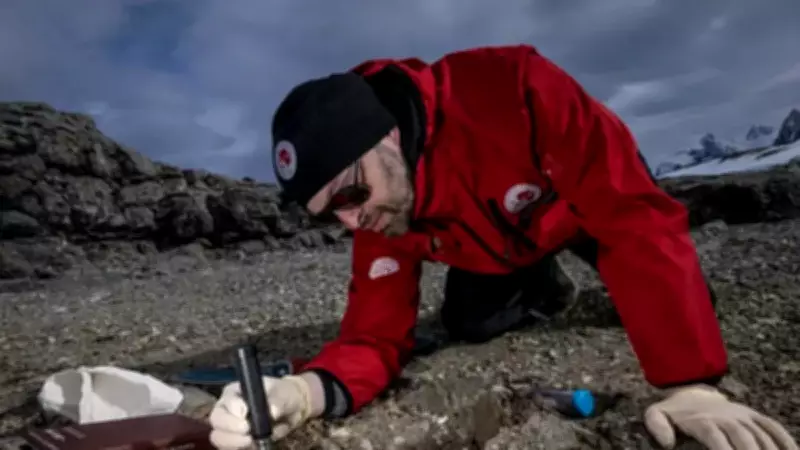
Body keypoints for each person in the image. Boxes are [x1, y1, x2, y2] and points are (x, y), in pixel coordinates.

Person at [208, 45, 798, 450]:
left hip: (577, 211)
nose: (353, 220)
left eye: (353, 194)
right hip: (495, 250)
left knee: (655, 287)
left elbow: (631, 216)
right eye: (332, 215)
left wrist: (689, 382)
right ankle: (543, 284)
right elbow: (373, 335)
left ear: (388, 135)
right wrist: (305, 393)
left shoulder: (515, 86)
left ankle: (606, 289)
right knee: (469, 325)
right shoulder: (380, 212)